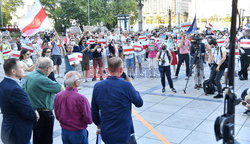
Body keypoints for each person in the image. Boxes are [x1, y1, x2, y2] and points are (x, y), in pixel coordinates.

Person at [91, 57, 143, 144]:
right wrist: (131, 84)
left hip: (107, 132)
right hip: (124, 133)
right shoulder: (126, 86)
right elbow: (139, 103)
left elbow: (94, 110)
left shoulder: (98, 86)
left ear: (107, 70)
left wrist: (99, 125)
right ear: (121, 69)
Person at [23, 57, 64, 144]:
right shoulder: (42, 79)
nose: (52, 70)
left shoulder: (30, 75)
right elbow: (61, 88)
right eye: (52, 68)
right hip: (44, 114)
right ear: (48, 68)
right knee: (46, 139)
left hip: (34, 111)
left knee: (37, 138)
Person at [0, 58, 39, 144]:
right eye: (21, 67)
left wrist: (34, 109)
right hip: (18, 133)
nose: (24, 69)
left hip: (10, 130)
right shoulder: (14, 89)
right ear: (13, 71)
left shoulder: (3, 83)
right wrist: (34, 114)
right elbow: (27, 110)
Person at [54, 71, 92, 144]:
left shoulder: (58, 96)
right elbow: (89, 119)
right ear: (76, 83)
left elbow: (57, 114)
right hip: (78, 131)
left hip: (65, 130)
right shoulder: (81, 98)